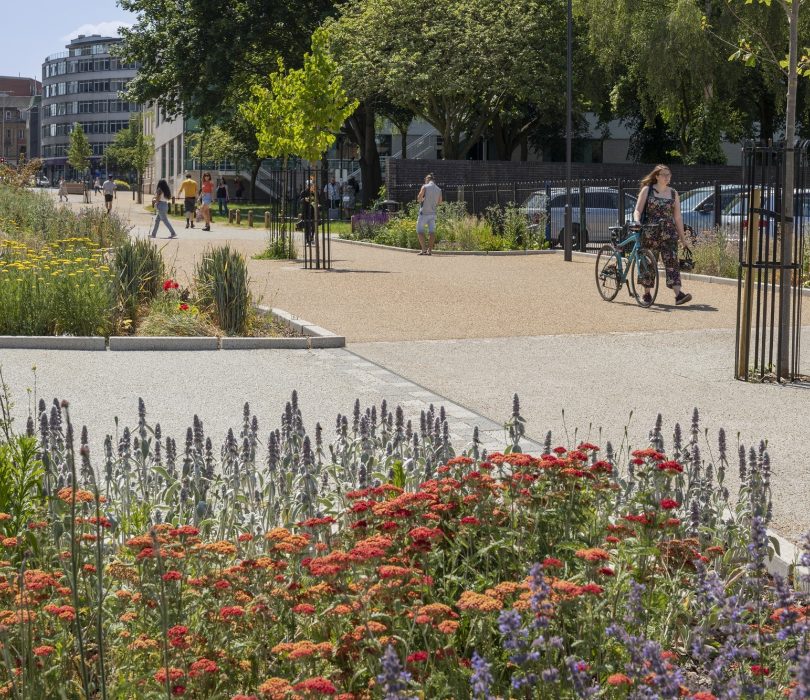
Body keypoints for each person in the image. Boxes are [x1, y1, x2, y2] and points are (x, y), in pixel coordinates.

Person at [633, 164, 693, 305]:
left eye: (669, 175)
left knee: (672, 262)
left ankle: (678, 295)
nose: (667, 177)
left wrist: (683, 239)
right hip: (650, 231)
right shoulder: (647, 190)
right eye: (664, 175)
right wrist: (636, 221)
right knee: (648, 262)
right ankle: (647, 294)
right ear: (657, 176)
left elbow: (677, 217)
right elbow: (637, 210)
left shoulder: (673, 193)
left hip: (668, 232)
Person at [416, 173, 442, 255]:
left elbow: (419, 198)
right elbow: (440, 202)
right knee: (432, 232)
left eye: (425, 180)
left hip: (423, 213)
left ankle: (423, 249)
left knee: (419, 231)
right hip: (433, 214)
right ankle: (429, 250)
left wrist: (422, 199)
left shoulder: (425, 186)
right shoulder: (439, 189)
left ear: (427, 179)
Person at [298, 179, 316, 245]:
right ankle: (307, 240)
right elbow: (300, 200)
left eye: (311, 185)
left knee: (313, 225)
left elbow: (317, 200)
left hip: (313, 211)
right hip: (305, 210)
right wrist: (305, 199)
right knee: (307, 226)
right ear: (306, 185)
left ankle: (312, 237)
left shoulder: (314, 192)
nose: (310, 186)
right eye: (309, 185)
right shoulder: (303, 192)